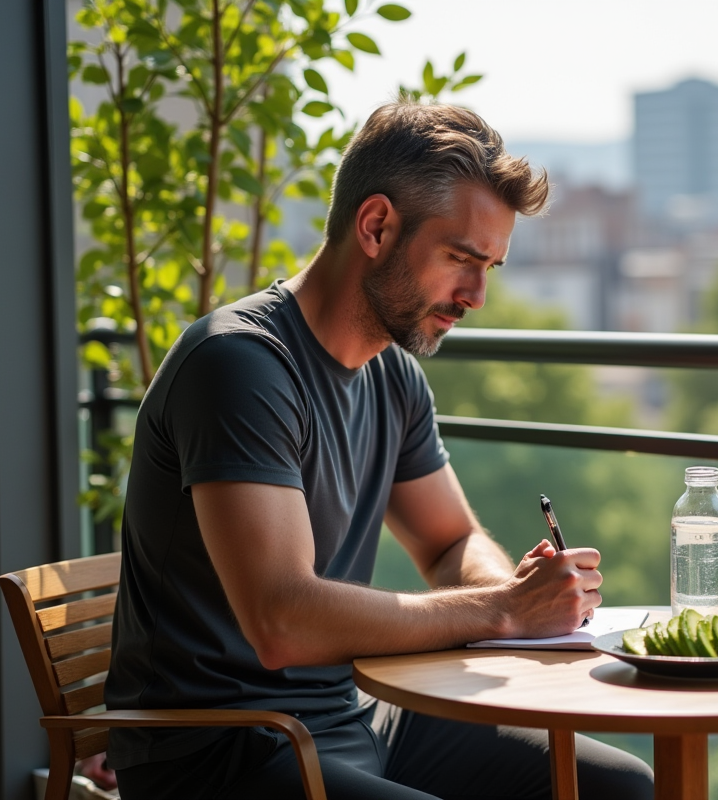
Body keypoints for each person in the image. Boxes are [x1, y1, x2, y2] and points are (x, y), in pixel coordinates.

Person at [104, 101, 655, 800]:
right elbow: (281, 620)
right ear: (376, 227)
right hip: (223, 749)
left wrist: (508, 589)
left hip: (356, 716)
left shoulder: (392, 375)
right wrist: (503, 612)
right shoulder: (239, 365)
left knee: (618, 786)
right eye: (460, 258)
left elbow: (449, 542)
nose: (478, 295)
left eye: (490, 266)